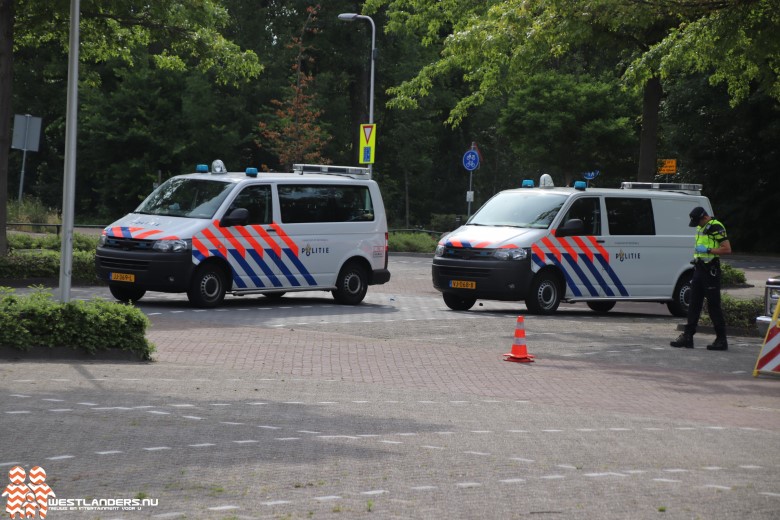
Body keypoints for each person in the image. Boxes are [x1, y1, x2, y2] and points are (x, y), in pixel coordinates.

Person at [670, 206, 731, 350]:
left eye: (698, 222)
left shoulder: (716, 226)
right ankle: (688, 337)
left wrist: (708, 250)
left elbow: (727, 249)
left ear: (704, 217)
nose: (697, 225)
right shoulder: (701, 227)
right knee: (693, 303)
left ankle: (721, 340)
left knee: (713, 305)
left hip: (711, 270)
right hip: (699, 268)